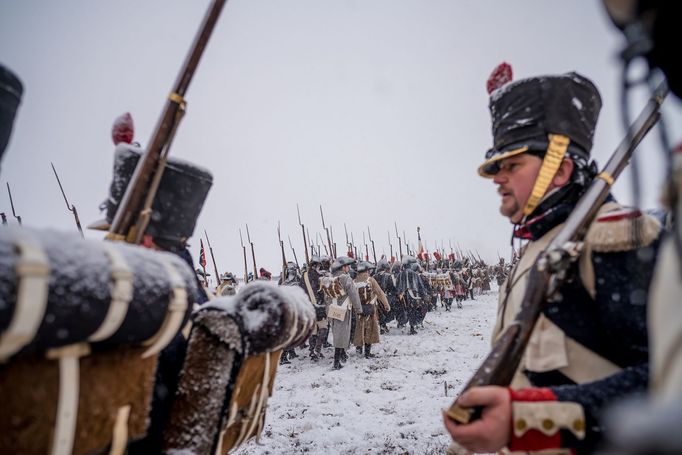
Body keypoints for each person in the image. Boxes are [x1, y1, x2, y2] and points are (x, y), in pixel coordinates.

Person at [443, 65, 662, 454]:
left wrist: (526, 419)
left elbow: (664, 383)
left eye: (511, 165)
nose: (497, 178)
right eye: (496, 167)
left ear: (559, 170)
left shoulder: (614, 238)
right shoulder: (536, 244)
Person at [321, 256, 362, 370]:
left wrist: (328, 311)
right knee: (342, 336)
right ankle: (336, 361)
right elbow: (354, 295)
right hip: (344, 310)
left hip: (333, 309)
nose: (348, 268)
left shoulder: (329, 279)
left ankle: (341, 357)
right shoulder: (345, 278)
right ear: (343, 267)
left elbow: (327, 298)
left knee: (337, 335)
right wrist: (358, 309)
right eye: (347, 266)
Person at [353, 261, 391, 359]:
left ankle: (358, 349)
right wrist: (386, 305)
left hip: (357, 310)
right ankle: (367, 352)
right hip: (370, 308)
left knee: (359, 329)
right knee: (369, 329)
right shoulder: (371, 280)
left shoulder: (354, 281)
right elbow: (379, 293)